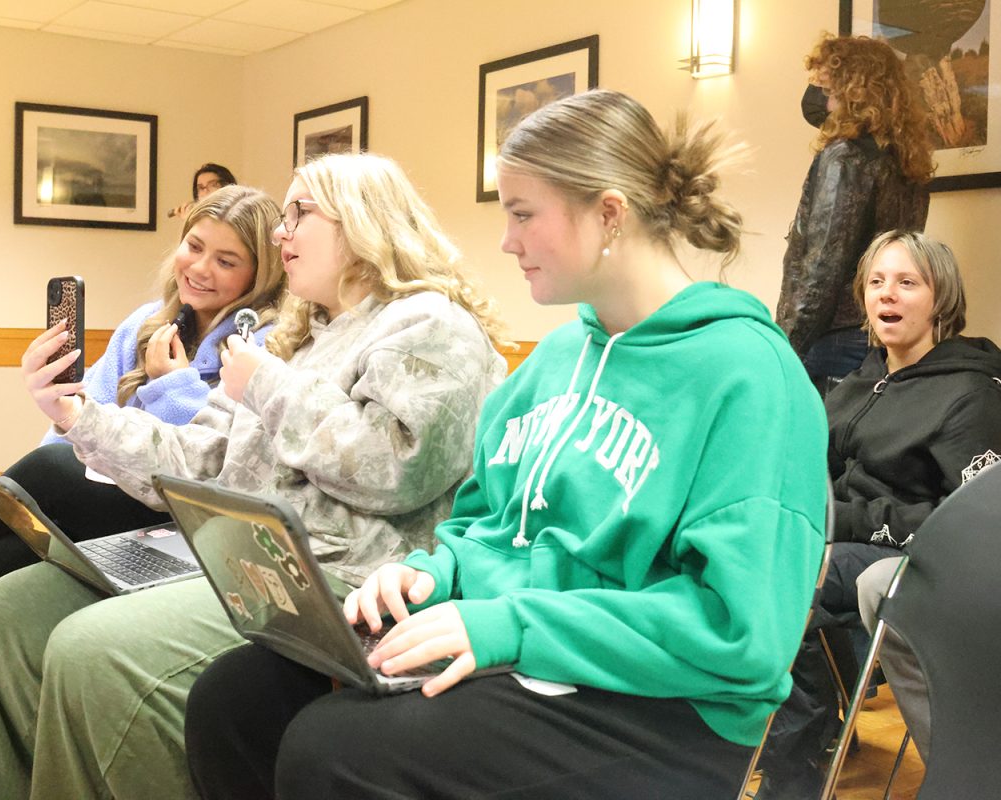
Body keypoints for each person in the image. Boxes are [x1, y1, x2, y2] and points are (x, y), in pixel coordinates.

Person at [185, 89, 829, 800]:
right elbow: (483, 526)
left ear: (609, 213)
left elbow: (742, 634)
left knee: (334, 747)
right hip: (517, 650)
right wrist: (433, 573)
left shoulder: (749, 376)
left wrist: (508, 623)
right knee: (236, 700)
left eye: (523, 214)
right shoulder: (552, 363)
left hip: (664, 706)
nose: (506, 241)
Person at [0, 152, 509, 800]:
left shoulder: (431, 323)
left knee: (89, 652)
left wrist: (267, 386)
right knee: (9, 613)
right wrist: (77, 416)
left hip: (335, 582)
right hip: (230, 559)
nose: (280, 232)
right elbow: (195, 459)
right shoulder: (295, 336)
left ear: (360, 223)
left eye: (299, 213)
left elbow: (395, 468)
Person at [0, 185, 286, 622]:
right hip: (110, 491)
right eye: (194, 246)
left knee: (47, 470)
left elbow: (209, 458)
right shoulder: (144, 323)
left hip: (186, 516)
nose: (200, 268)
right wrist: (13, 517)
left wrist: (172, 386)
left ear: (258, 275)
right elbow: (79, 417)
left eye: (226, 262)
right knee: (5, 554)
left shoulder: (260, 343)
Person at [758, 231, 1001, 795]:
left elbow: (967, 529)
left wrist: (845, 520)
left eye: (907, 282)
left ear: (941, 298)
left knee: (784, 575)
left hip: (909, 559)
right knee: (733, 558)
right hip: (832, 539)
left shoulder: (971, 394)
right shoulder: (859, 381)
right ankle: (796, 736)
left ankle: (795, 763)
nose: (887, 294)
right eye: (876, 281)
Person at [777, 34, 934, 394]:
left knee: (822, 449)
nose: (822, 100)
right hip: (882, 335)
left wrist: (783, 348)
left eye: (827, 88)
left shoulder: (845, 157)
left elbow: (823, 269)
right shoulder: (905, 161)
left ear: (853, 91)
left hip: (829, 340)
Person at [170, 163, 238, 219]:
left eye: (213, 185)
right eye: (201, 188)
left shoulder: (236, 215)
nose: (205, 191)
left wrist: (191, 221)